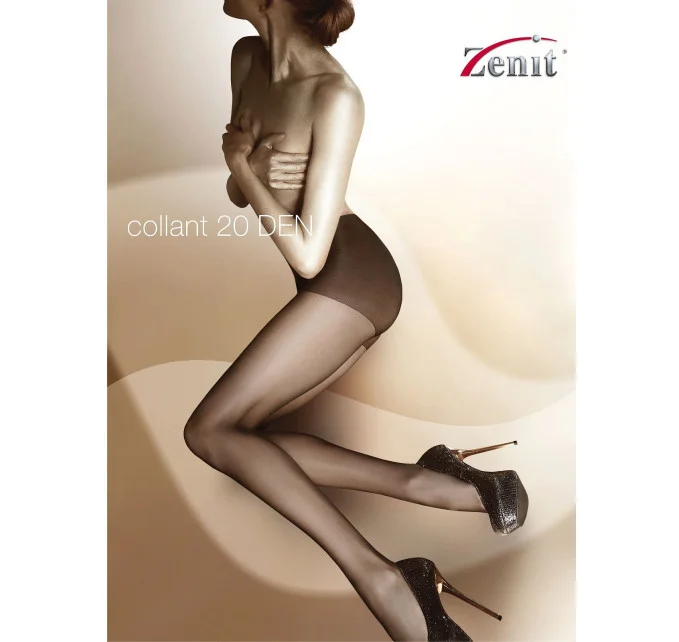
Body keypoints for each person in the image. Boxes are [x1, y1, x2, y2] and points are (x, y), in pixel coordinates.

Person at [184, 2, 528, 639]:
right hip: (326, 283)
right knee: (245, 440)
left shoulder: (336, 96)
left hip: (353, 277)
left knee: (208, 431)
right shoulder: (246, 59)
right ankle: (445, 483)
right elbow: (246, 189)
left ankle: (384, 579)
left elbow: (308, 252)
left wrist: (242, 169)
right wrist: (248, 173)